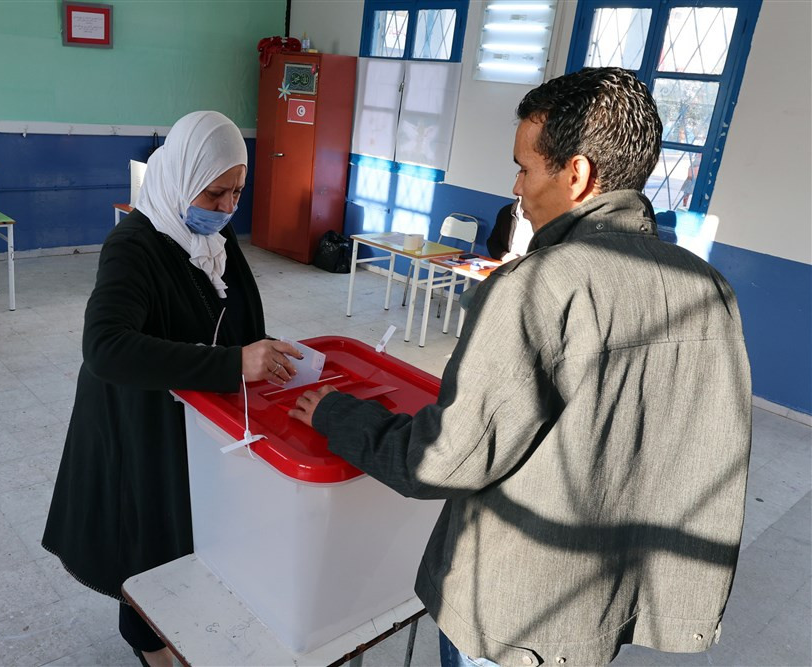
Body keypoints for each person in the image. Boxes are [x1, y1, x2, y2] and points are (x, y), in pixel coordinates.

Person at [291, 68, 751, 666]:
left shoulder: (539, 286)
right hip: (601, 605)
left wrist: (338, 415)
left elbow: (445, 459)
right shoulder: (709, 289)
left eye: (526, 168)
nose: (517, 186)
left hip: (512, 619)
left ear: (577, 175)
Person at [42, 111, 301, 667]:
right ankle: (152, 649)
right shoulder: (134, 245)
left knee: (190, 531)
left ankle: (177, 625)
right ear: (182, 177)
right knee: (148, 540)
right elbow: (106, 347)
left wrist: (259, 349)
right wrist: (232, 363)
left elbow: (228, 311)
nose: (229, 208)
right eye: (215, 193)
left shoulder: (214, 236)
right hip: (138, 422)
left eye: (238, 191)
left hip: (193, 418)